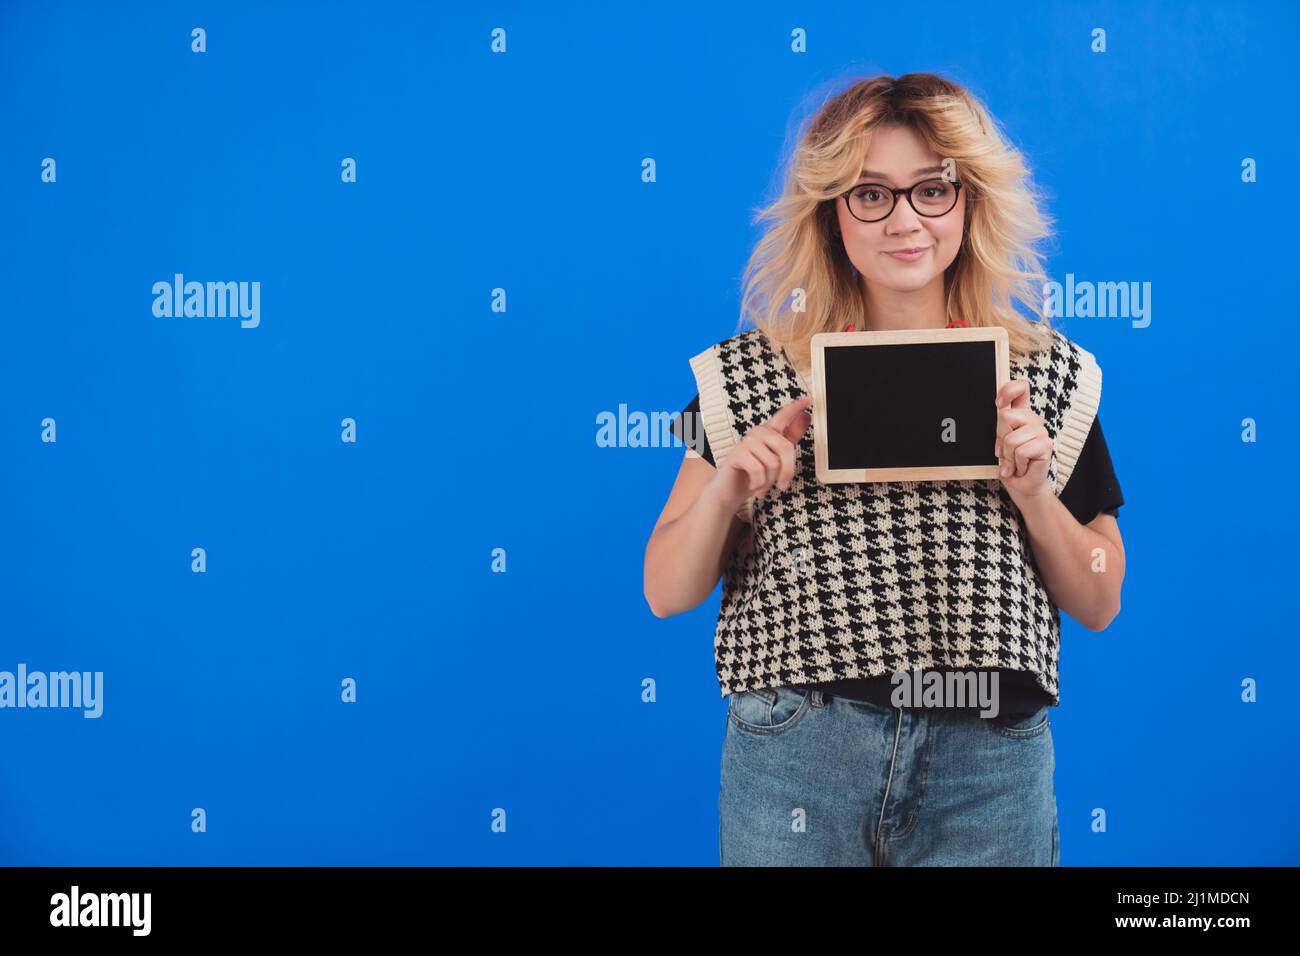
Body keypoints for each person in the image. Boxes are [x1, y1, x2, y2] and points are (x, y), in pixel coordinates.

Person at [643, 73, 1127, 866]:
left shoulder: (1050, 379)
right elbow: (665, 589)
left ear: (968, 201)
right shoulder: (746, 377)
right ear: (834, 214)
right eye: (871, 195)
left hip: (989, 762)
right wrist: (728, 491)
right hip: (799, 751)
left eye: (932, 190)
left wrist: (1036, 497)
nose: (906, 220)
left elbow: (1100, 598)